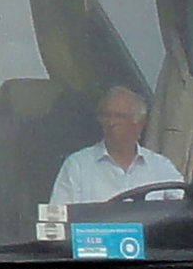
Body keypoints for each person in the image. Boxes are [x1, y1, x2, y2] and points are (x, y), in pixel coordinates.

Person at [49, 86, 184, 204]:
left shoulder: (161, 167)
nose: (111, 122)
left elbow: (184, 206)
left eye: (119, 116)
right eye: (106, 116)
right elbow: (60, 218)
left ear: (139, 123)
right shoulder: (77, 166)